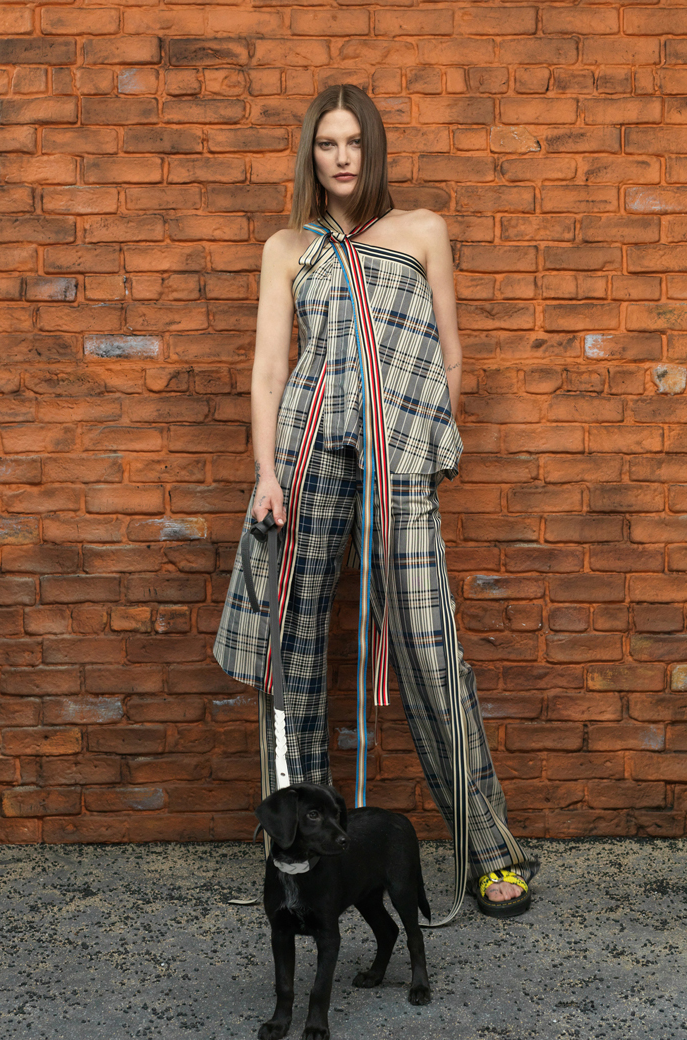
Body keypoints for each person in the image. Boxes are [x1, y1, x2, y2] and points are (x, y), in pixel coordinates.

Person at [214, 84, 540, 921]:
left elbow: (450, 355)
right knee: (294, 652)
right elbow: (268, 368)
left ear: (374, 149)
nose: (342, 157)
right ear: (311, 154)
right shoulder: (290, 247)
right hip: (306, 453)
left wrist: (424, 443)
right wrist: (266, 472)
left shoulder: (421, 230)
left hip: (398, 461)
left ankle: (490, 853)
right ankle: (302, 850)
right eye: (327, 144)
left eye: (354, 142)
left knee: (431, 650)